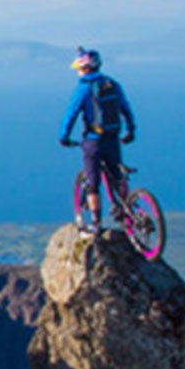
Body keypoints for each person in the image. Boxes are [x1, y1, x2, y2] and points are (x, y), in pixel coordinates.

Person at [59, 47, 136, 233]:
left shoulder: (84, 88)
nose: (77, 72)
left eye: (79, 68)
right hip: (113, 137)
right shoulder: (112, 84)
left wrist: (64, 137)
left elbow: (71, 114)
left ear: (85, 68)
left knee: (93, 183)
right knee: (117, 176)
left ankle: (96, 223)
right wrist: (131, 130)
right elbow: (125, 108)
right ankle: (127, 211)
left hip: (94, 141)